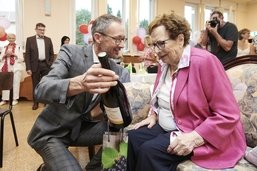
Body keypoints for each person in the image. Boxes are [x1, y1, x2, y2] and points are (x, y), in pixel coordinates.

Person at [127, 12, 246, 171]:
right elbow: (163, 95)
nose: (156, 51)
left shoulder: (205, 62)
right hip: (172, 124)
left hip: (197, 130)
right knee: (134, 138)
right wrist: (153, 114)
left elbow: (229, 114)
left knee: (150, 151)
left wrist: (195, 138)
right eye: (153, 44)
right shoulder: (165, 63)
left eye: (161, 43)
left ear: (180, 39)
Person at [27, 14, 130, 171]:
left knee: (121, 134)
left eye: (124, 39)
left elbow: (112, 109)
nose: (122, 45)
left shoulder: (117, 71)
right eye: (118, 39)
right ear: (98, 37)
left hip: (78, 129)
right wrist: (80, 84)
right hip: (51, 132)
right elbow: (41, 90)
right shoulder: (71, 52)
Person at [25, 23, 55, 110]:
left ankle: (46, 102)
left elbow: (51, 53)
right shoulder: (30, 40)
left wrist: (49, 63)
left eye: (43, 30)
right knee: (36, 85)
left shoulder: (48, 40)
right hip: (35, 66)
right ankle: (35, 103)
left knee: (46, 84)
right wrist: (28, 68)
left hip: (46, 65)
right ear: (36, 30)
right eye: (40, 29)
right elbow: (27, 55)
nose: (42, 31)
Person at [0, 33, 23, 106]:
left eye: (13, 38)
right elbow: (1, 59)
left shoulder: (18, 47)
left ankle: (15, 99)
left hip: (16, 67)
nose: (11, 39)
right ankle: (4, 99)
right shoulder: (4, 47)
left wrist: (14, 54)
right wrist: (4, 55)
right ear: (7, 39)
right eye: (10, 38)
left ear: (15, 38)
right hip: (6, 67)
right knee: (5, 83)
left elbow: (21, 59)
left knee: (15, 83)